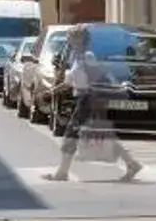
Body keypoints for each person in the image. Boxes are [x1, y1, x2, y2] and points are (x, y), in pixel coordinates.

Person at [49, 31, 141, 182]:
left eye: (71, 39)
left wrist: (93, 99)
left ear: (80, 40)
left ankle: (62, 173)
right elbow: (70, 81)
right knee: (102, 135)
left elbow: (98, 77)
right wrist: (53, 90)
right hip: (83, 98)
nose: (68, 42)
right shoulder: (77, 57)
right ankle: (132, 164)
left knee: (71, 134)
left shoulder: (87, 56)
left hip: (88, 100)